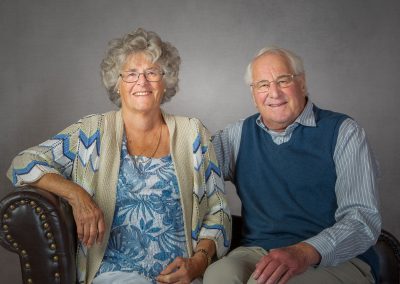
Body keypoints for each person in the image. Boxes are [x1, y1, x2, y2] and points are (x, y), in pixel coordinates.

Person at [7, 28, 231, 284]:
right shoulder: (91, 132)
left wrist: (197, 263)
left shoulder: (194, 134)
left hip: (181, 277)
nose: (142, 82)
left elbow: (219, 210)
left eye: (152, 73)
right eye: (131, 74)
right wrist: (77, 195)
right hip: (114, 274)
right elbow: (22, 164)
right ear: (117, 82)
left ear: (166, 80)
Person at [203, 46, 380, 284]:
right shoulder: (237, 136)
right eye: (263, 84)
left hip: (335, 259)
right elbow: (191, 169)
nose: (273, 93)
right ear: (253, 94)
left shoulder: (344, 132)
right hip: (257, 252)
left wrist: (304, 252)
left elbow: (362, 219)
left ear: (303, 83)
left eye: (283, 80)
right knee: (217, 276)